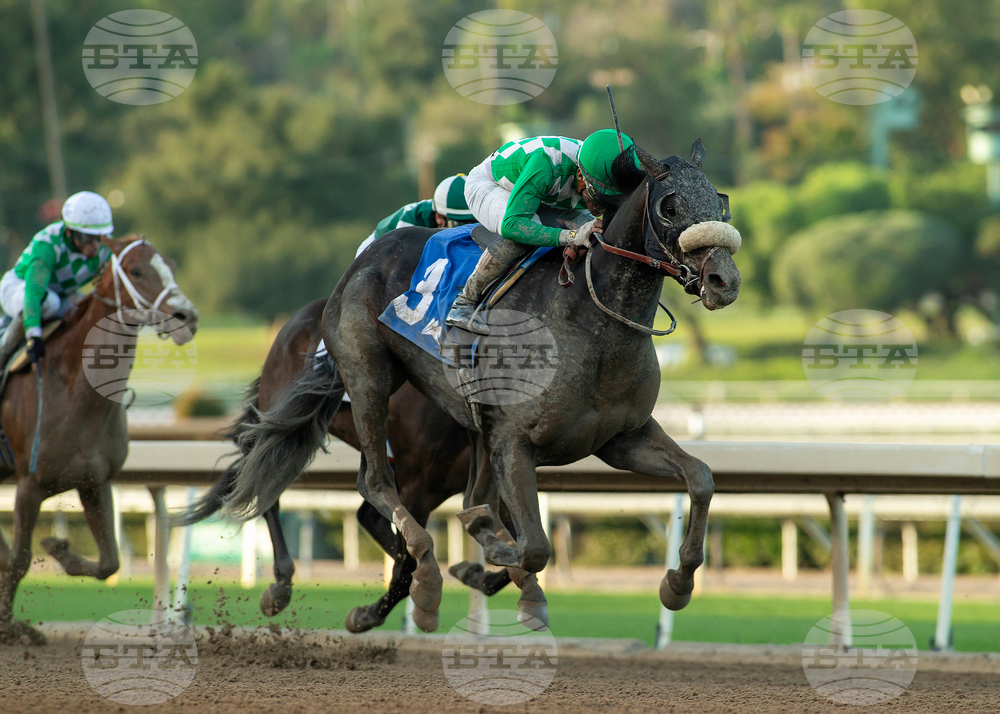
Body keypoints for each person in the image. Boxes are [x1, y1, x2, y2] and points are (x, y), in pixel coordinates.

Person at [445, 130, 638, 334]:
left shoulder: (599, 165)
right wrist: (570, 237)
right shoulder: (546, 164)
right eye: (599, 197)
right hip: (488, 186)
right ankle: (464, 302)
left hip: (542, 190)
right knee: (527, 230)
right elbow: (514, 225)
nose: (601, 205)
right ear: (581, 176)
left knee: (592, 227)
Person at [0, 191, 114, 369]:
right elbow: (34, 292)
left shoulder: (105, 250)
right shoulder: (48, 244)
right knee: (49, 302)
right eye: (87, 237)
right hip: (19, 289)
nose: (95, 244)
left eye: (100, 236)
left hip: (60, 295)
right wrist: (34, 336)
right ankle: (3, 351)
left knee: (87, 309)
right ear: (69, 231)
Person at [354, 174, 474, 257]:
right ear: (439, 217)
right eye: (459, 224)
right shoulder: (409, 223)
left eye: (474, 222)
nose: (467, 229)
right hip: (376, 250)